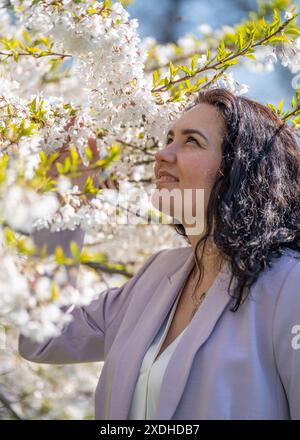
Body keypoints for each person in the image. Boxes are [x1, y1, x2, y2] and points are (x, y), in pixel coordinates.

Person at [18, 88, 300, 420]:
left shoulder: (288, 285)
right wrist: (65, 198)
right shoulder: (157, 274)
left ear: (241, 167)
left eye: (191, 140)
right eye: (168, 138)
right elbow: (44, 338)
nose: (163, 154)